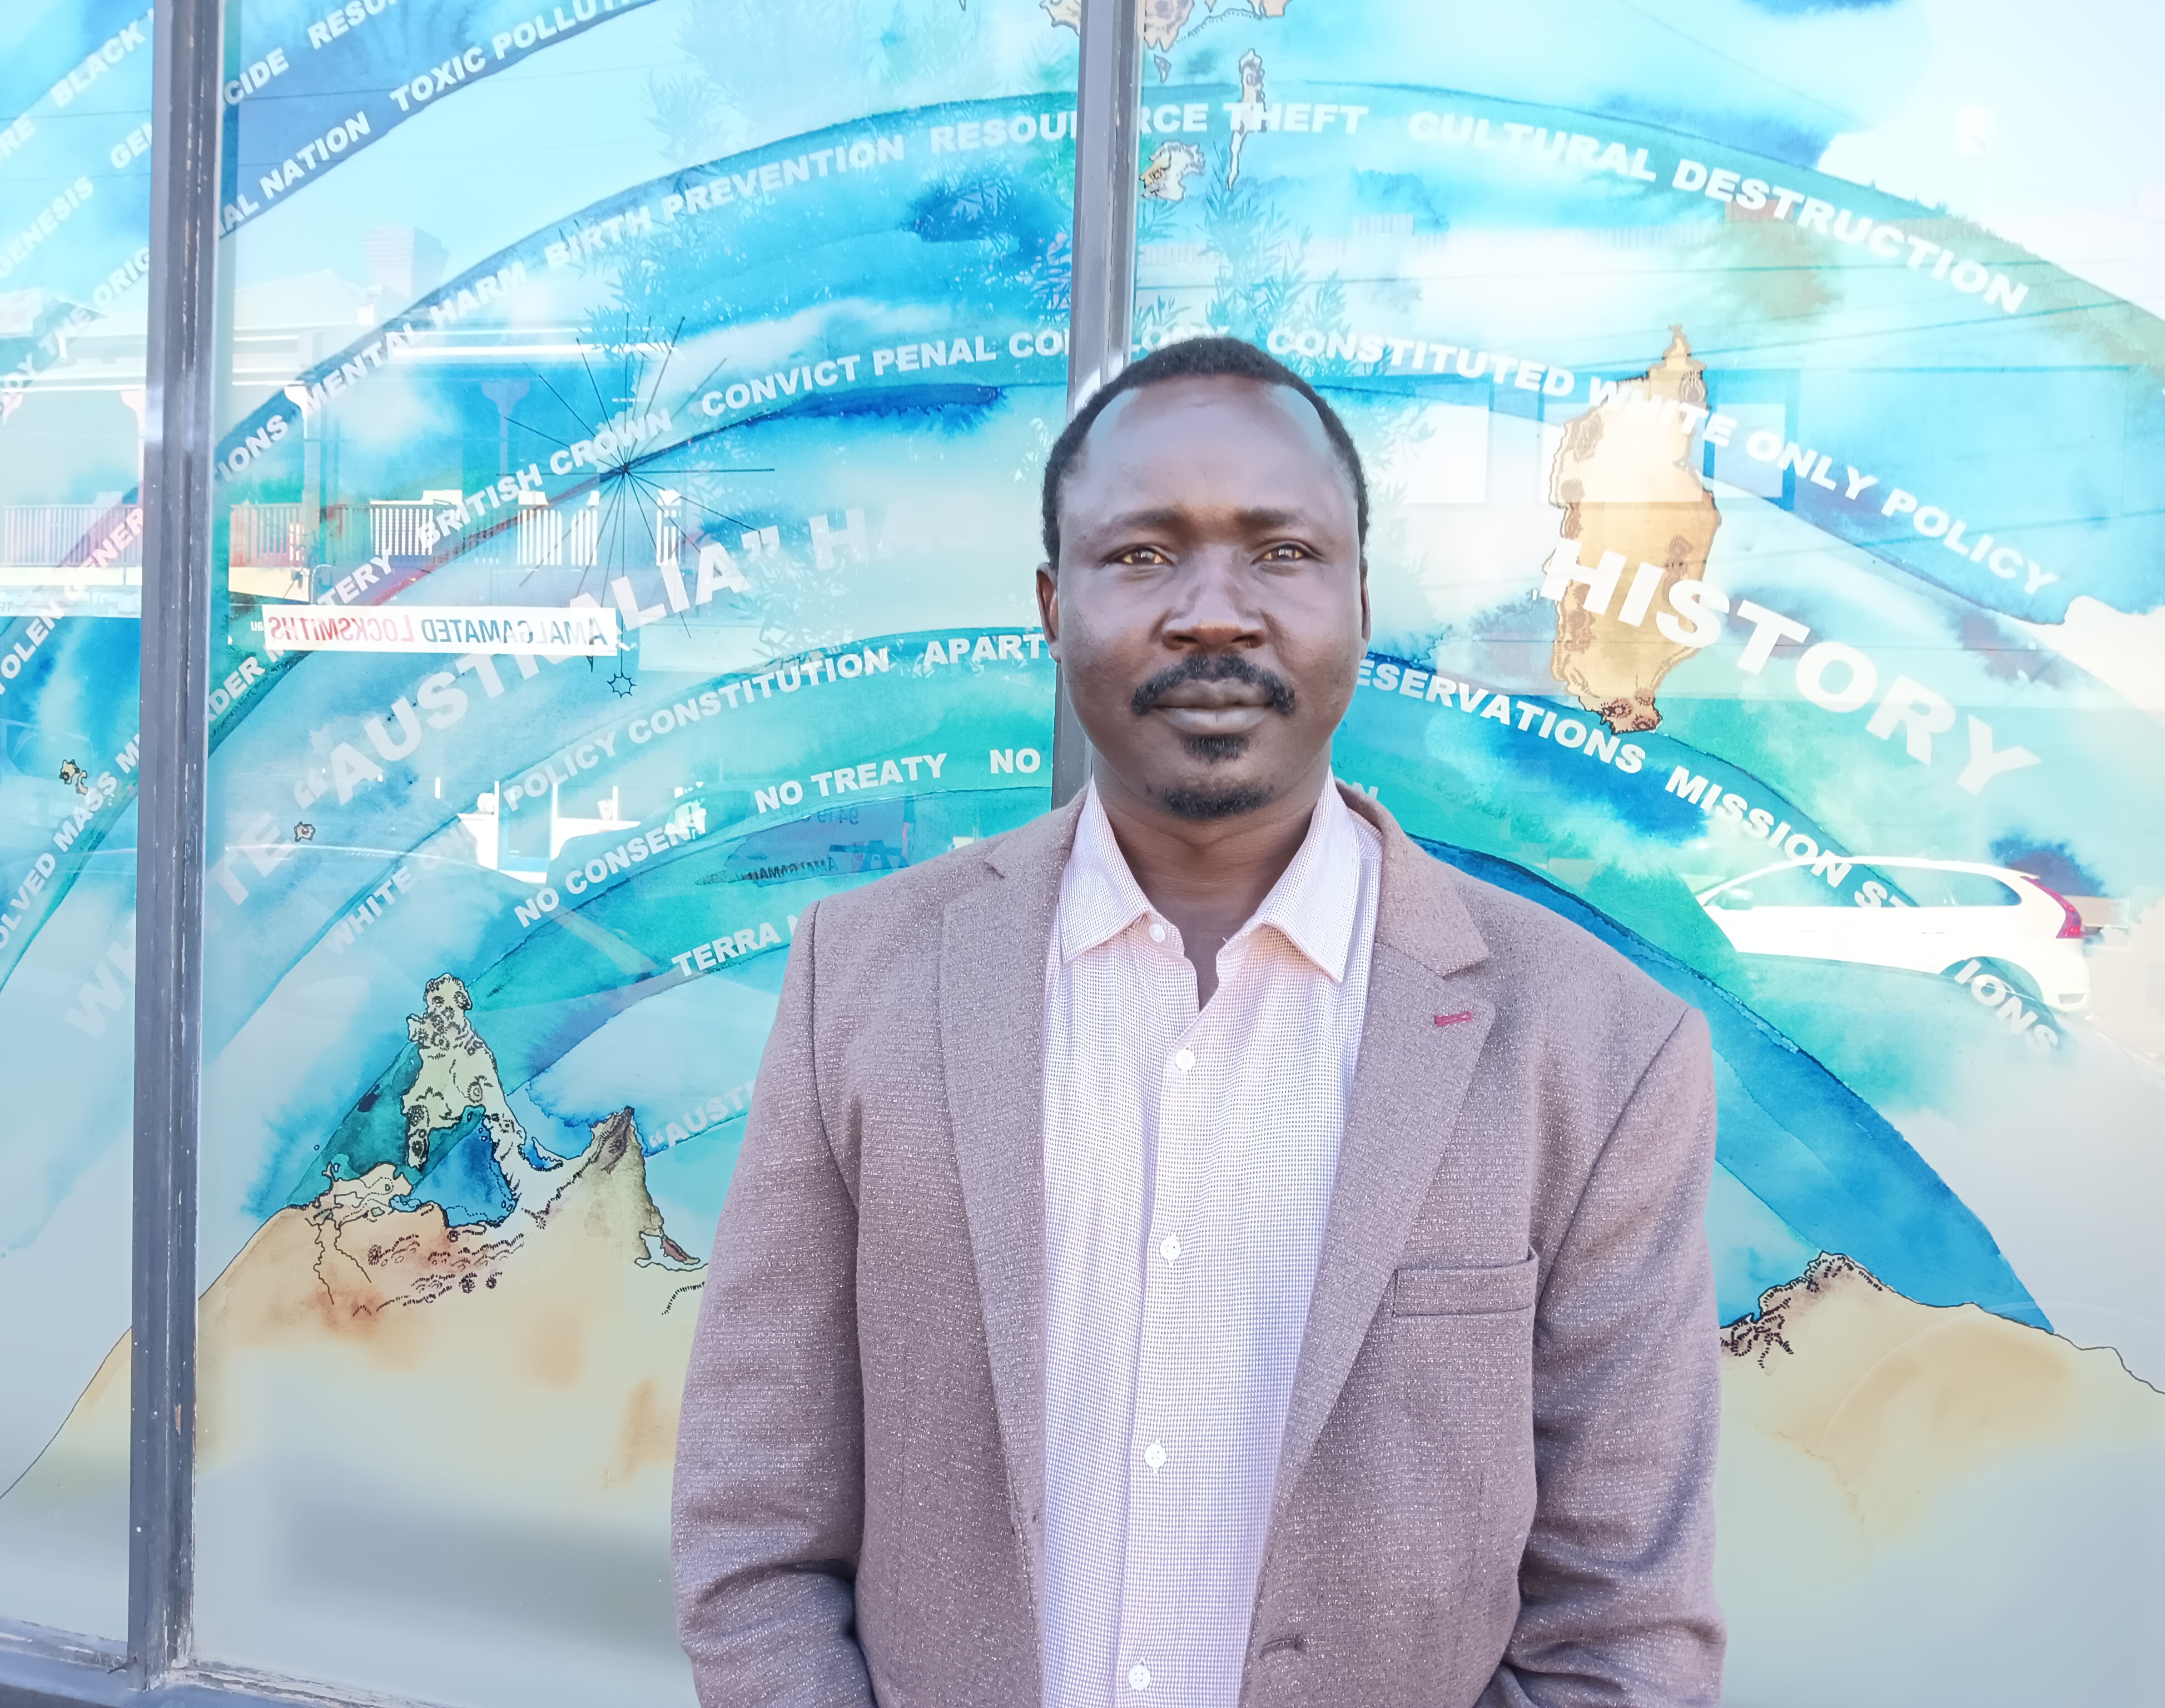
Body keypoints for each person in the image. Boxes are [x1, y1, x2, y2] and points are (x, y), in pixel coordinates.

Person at [672, 336, 1723, 1707]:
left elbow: (1622, 1631)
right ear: (1054, 607)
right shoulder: (862, 976)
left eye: (1282, 552)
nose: (1214, 613)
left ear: (1360, 600)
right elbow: (755, 1533)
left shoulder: (1600, 1051)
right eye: (1143, 554)